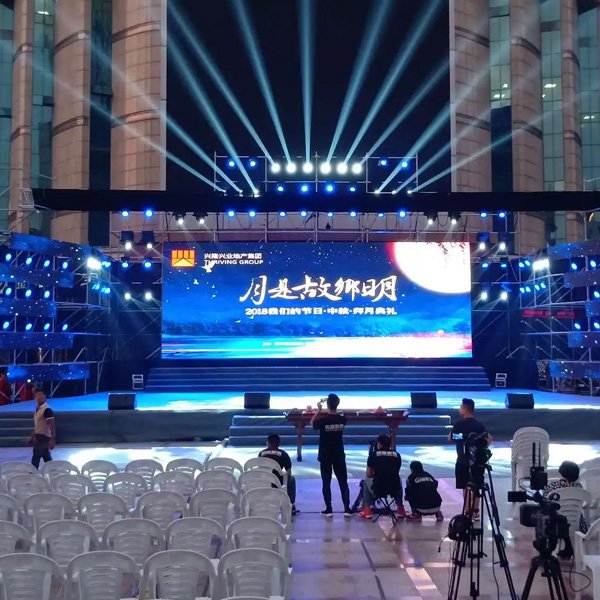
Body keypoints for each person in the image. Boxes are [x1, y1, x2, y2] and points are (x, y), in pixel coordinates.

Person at [449, 398, 492, 520]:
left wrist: (463, 437)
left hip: (463, 460)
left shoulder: (459, 424)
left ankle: (468, 511)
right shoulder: (479, 425)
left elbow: (451, 438)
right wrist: (480, 447)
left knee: (466, 486)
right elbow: (489, 438)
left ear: (464, 409)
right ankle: (475, 511)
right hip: (478, 460)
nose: (459, 409)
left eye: (460, 407)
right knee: (477, 485)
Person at [311, 393, 353, 517]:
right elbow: (339, 414)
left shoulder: (323, 420)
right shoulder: (343, 419)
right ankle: (347, 508)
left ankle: (329, 509)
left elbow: (312, 423)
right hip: (339, 454)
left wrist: (318, 410)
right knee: (343, 481)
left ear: (327, 405)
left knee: (326, 482)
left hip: (325, 454)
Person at [358, 434, 406, 519]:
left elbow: (368, 474)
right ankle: (400, 509)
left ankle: (367, 510)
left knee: (366, 481)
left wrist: (377, 473)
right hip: (394, 490)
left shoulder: (373, 455)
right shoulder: (397, 455)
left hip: (378, 489)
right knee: (398, 479)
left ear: (379, 444)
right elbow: (395, 472)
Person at [259, 433, 299, 515]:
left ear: (268, 443)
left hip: (264, 481)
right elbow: (289, 472)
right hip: (277, 482)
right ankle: (291, 506)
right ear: (278, 443)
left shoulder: (261, 453)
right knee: (291, 480)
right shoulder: (283, 454)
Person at [544, 460, 588, 533]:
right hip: (578, 524)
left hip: (555, 524)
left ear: (561, 472)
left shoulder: (551, 487)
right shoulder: (579, 487)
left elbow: (545, 502)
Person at [28, 390, 55, 468]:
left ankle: (32, 472)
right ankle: (54, 470)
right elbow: (37, 426)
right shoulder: (38, 409)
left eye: (41, 395)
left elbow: (52, 425)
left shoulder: (47, 410)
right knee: (46, 456)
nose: (39, 397)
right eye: (37, 395)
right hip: (38, 436)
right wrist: (32, 437)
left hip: (44, 437)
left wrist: (52, 439)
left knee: (36, 456)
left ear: (45, 397)